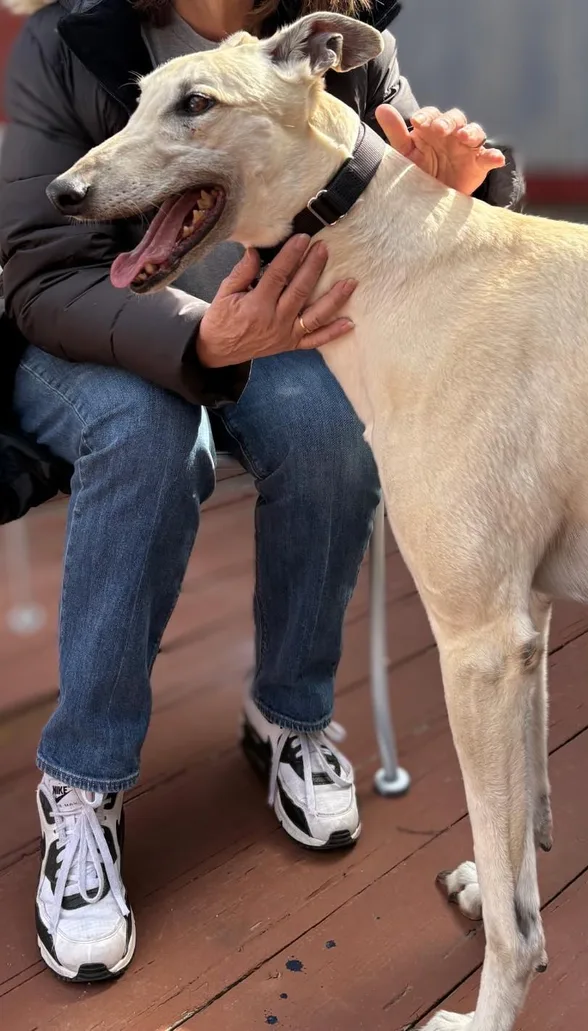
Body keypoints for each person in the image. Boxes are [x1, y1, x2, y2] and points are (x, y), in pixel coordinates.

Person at [0, 0, 525, 984]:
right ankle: (83, 780)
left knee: (332, 427)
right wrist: (196, 340)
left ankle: (290, 711)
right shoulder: (70, 41)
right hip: (92, 328)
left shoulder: (333, 41)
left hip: (281, 317)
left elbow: (407, 207)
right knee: (149, 434)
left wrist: (460, 192)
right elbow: (36, 270)